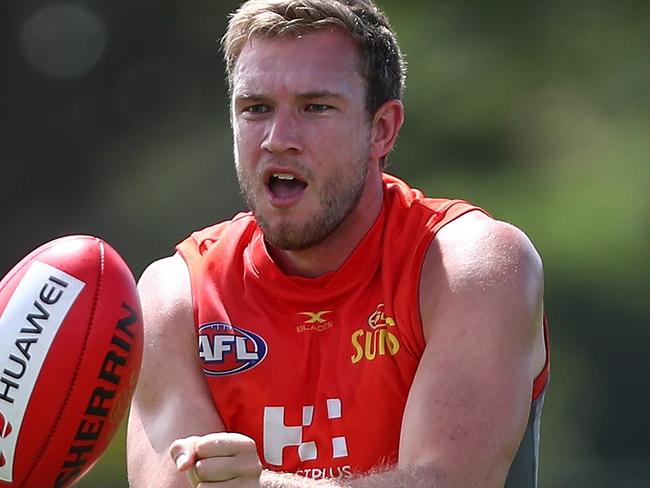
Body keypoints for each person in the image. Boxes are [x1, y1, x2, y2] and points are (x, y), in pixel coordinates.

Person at [126, 0, 550, 486]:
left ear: (382, 129)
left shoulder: (471, 267)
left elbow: (446, 481)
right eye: (256, 108)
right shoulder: (178, 297)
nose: (277, 138)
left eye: (316, 107)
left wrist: (264, 485)